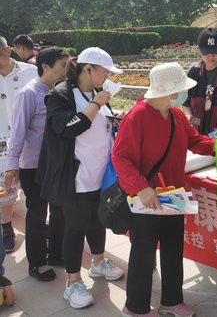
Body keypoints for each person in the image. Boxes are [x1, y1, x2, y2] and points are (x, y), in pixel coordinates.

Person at [112, 62, 215, 317]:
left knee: (172, 249)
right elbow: (120, 157)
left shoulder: (176, 114)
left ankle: (172, 300)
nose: (183, 94)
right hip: (146, 199)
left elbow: (196, 141)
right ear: (168, 90)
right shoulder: (137, 116)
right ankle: (135, 308)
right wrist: (141, 188)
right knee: (143, 254)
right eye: (180, 89)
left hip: (173, 197)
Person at [36, 47, 125, 309]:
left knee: (97, 220)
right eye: (104, 71)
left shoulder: (97, 92)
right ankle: (73, 281)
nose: (107, 77)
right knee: (75, 227)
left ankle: (98, 262)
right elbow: (67, 129)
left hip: (100, 174)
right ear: (88, 69)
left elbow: (100, 124)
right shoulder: (61, 94)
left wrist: (112, 118)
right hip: (76, 176)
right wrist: (96, 104)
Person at [6, 48, 70, 282]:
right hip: (33, 165)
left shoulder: (59, 92)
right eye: (63, 65)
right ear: (45, 66)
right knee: (37, 213)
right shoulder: (29, 93)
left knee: (59, 210)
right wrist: (12, 164)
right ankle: (37, 263)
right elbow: (18, 132)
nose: (67, 69)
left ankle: (56, 253)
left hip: (56, 163)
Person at [0, 36, 38, 254]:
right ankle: (6, 227)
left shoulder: (30, 72)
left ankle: (38, 226)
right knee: (5, 187)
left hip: (30, 140)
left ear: (8, 51)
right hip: (2, 143)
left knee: (34, 188)